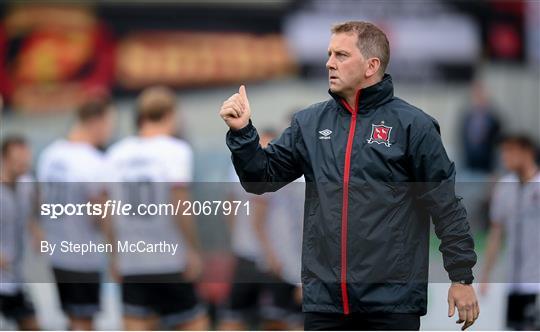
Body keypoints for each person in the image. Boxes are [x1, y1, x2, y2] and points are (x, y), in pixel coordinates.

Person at [219, 21, 479, 330]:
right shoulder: (309, 123)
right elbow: (260, 179)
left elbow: (445, 206)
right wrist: (243, 133)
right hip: (324, 304)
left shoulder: (414, 126)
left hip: (390, 304)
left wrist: (461, 276)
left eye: (341, 54)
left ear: (371, 65)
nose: (329, 62)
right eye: (329, 54)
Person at [107, 86, 209, 330]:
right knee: (194, 323)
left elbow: (107, 211)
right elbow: (180, 203)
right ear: (170, 114)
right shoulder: (175, 150)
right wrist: (193, 249)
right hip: (169, 258)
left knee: (137, 323)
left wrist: (113, 256)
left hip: (131, 260)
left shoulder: (115, 154)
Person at [36, 97, 115, 330]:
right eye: (109, 124)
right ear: (95, 122)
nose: (110, 131)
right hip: (83, 255)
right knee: (85, 321)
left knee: (72, 317)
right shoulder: (92, 161)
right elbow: (99, 213)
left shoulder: (49, 154)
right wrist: (115, 251)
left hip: (57, 252)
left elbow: (40, 199)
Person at [219, 129, 303, 330]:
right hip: (267, 259)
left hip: (246, 253)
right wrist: (270, 253)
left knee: (237, 316)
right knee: (278, 318)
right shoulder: (267, 169)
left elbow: (229, 207)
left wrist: (237, 240)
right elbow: (257, 219)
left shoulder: (239, 167)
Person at [480, 134, 540, 330]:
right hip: (513, 283)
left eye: (511, 151)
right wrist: (486, 274)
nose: (505, 156)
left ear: (527, 152)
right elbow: (496, 234)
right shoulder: (504, 187)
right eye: (503, 151)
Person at [0, 136, 40, 330]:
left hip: (14, 275)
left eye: (26, 160)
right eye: (18, 160)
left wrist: (36, 231)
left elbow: (27, 212)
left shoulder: (27, 184)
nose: (23, 165)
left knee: (32, 324)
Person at [459, 82, 501, 173]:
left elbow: (497, 139)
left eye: (481, 96)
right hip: (470, 162)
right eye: (476, 96)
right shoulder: (467, 117)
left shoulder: (493, 117)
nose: (478, 99)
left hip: (487, 164)